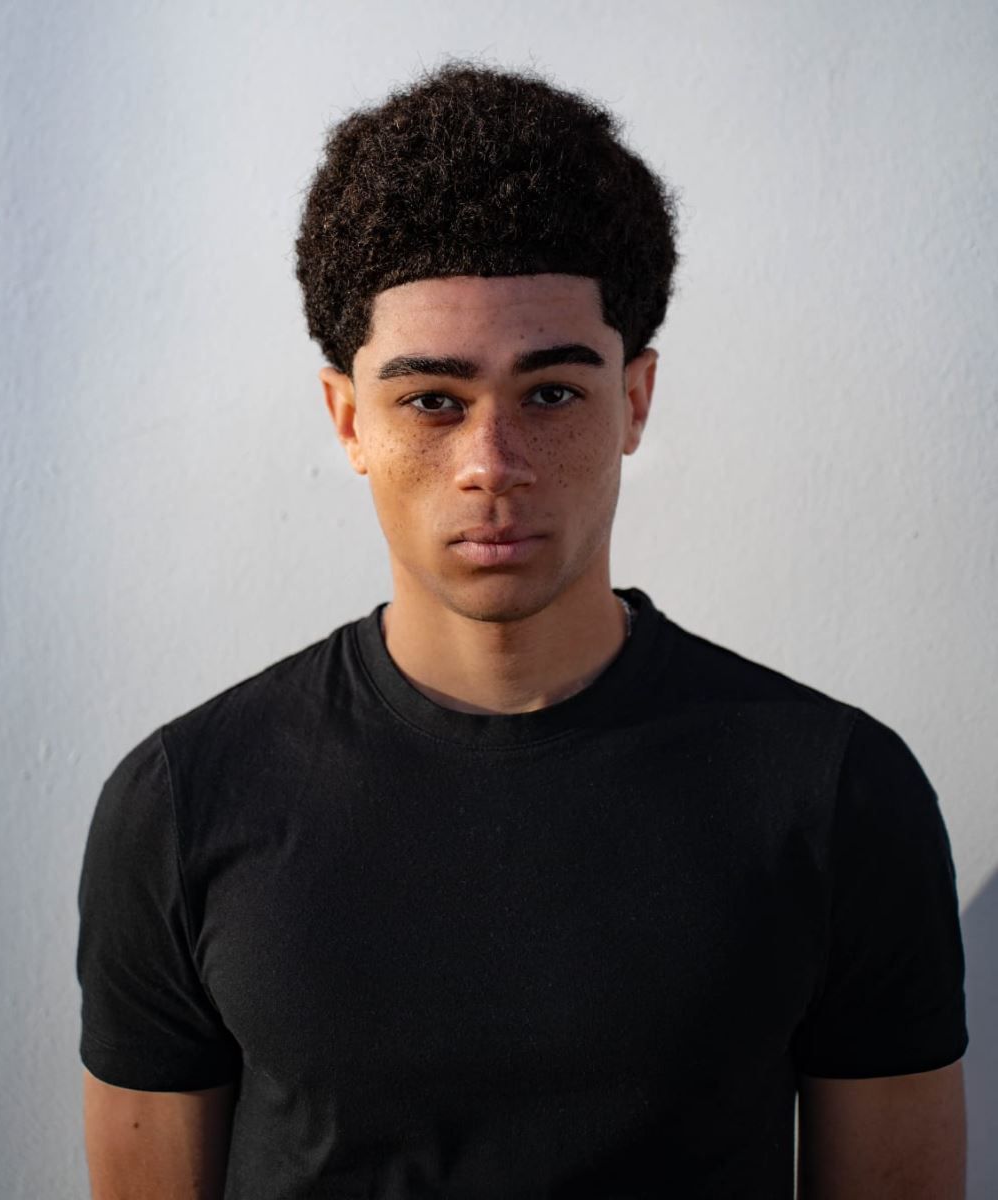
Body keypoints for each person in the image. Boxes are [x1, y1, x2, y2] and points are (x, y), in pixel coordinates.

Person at [77, 63, 968, 1199]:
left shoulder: (838, 793)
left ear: (633, 401)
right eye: (431, 401)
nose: (490, 464)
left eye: (549, 393)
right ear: (348, 420)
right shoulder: (185, 800)